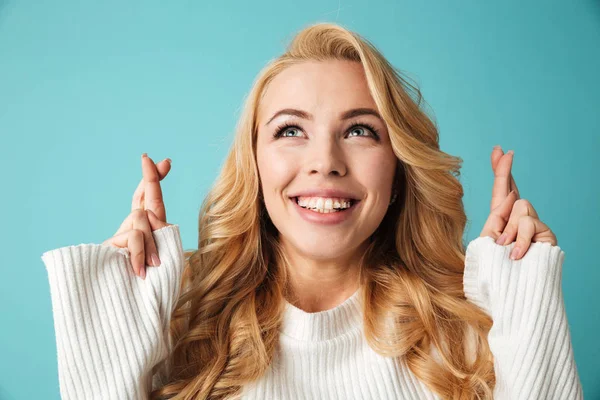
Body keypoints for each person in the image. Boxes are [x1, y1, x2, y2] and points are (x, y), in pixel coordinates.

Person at [41, 22, 583, 400]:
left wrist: (524, 293)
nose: (325, 162)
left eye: (360, 131)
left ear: (397, 171)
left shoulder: (464, 338)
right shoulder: (177, 327)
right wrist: (123, 302)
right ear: (254, 165)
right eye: (291, 130)